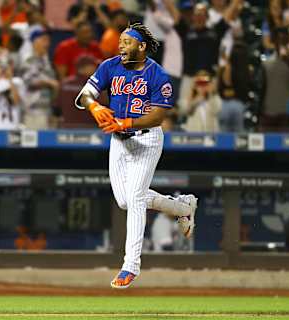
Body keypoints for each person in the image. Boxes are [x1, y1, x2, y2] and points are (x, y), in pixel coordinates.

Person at [75, 22, 197, 289]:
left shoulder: (158, 74)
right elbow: (85, 95)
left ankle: (130, 265)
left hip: (146, 139)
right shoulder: (110, 66)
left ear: (141, 47)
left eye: (127, 42)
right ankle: (184, 207)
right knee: (125, 201)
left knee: (137, 198)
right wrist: (95, 107)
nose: (121, 45)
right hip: (119, 141)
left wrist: (126, 123)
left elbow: (158, 115)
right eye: (120, 41)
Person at [20, 29, 59, 129]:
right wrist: (50, 82)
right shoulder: (29, 60)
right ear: (35, 42)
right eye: (44, 40)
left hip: (46, 111)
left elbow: (54, 87)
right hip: (32, 113)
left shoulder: (47, 63)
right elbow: (30, 82)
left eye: (48, 41)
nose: (47, 44)